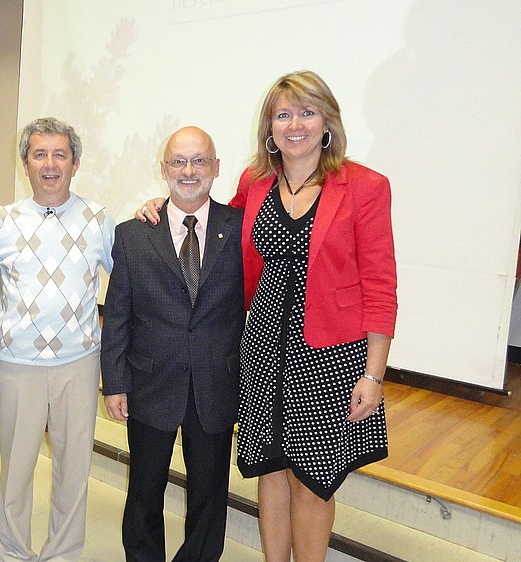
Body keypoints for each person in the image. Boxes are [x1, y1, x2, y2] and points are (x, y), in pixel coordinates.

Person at [138, 71, 397, 562]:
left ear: (327, 122)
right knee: (272, 471)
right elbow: (214, 223)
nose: (294, 124)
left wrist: (374, 373)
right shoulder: (254, 183)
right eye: (283, 114)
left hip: (330, 358)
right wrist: (165, 205)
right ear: (269, 128)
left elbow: (382, 287)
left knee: (313, 482)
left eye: (306, 112)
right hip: (261, 349)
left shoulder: (364, 186)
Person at [0, 117, 116, 562]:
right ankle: (14, 553)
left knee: (74, 470)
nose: (50, 164)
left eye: (60, 154)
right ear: (25, 163)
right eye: (40, 154)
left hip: (79, 362)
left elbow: (131, 283)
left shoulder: (98, 219)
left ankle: (63, 553)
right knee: (16, 470)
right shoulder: (2, 220)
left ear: (75, 163)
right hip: (18, 365)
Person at [102, 127, 243, 561]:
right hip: (150, 384)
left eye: (199, 161)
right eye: (179, 161)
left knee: (209, 493)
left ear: (216, 168)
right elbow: (119, 314)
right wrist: (115, 382)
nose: (189, 171)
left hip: (215, 384)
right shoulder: (132, 234)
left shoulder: (241, 229)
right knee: (144, 491)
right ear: (163, 169)